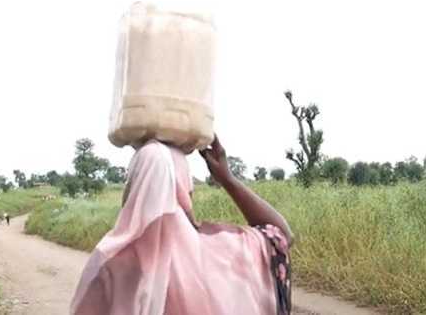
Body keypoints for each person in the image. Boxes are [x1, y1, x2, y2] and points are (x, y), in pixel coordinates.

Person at [70, 135, 294, 315]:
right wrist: (227, 179)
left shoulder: (107, 265)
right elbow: (280, 235)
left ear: (133, 189)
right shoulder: (221, 255)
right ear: (185, 191)